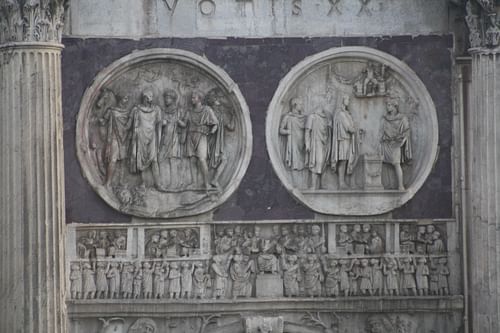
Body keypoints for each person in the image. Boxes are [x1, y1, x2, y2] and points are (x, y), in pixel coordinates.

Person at [179, 91, 219, 189]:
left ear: (199, 99)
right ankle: (193, 183)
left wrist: (212, 131)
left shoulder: (207, 110)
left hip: (201, 136)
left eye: (194, 97)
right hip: (190, 135)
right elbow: (184, 124)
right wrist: (177, 120)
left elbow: (215, 123)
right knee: (192, 160)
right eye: (192, 97)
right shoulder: (189, 111)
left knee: (202, 159)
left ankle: (206, 183)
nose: (192, 99)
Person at [129, 89, 163, 189]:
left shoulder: (156, 109)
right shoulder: (137, 110)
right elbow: (132, 125)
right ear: (143, 98)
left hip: (152, 137)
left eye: (149, 98)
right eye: (146, 98)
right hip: (141, 136)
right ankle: (143, 183)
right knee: (141, 159)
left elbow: (159, 125)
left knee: (154, 160)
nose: (147, 100)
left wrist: (159, 139)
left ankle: (158, 183)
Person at [379, 98, 412, 190]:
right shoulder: (385, 118)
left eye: (389, 105)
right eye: (387, 105)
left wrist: (402, 142)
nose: (387, 107)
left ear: (395, 106)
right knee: (385, 163)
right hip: (386, 143)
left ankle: (400, 185)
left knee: (396, 163)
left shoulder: (402, 118)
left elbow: (407, 131)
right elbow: (383, 131)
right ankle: (389, 184)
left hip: (396, 143)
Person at [331, 95, 360, 189]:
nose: (348, 101)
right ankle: (341, 183)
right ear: (342, 100)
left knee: (346, 161)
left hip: (347, 139)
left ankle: (344, 182)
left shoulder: (345, 113)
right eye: (347, 99)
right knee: (343, 161)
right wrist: (356, 129)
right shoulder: (341, 114)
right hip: (343, 140)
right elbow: (349, 128)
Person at [102, 94, 131, 186]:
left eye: (127, 98)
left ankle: (121, 181)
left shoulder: (127, 112)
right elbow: (103, 121)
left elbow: (129, 126)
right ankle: (108, 182)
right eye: (125, 98)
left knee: (123, 160)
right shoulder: (112, 111)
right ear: (120, 99)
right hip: (114, 137)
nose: (126, 100)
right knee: (112, 159)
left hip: (125, 138)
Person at [158, 89, 183, 189]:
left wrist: (177, 121)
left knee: (172, 160)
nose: (166, 100)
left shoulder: (178, 111)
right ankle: (162, 182)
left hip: (174, 137)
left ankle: (175, 183)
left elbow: (183, 124)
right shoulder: (163, 111)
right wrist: (162, 123)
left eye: (168, 98)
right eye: (165, 98)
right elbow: (160, 123)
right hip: (164, 138)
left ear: (173, 99)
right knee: (160, 159)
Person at [279, 97, 306, 185]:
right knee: (295, 163)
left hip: (303, 143)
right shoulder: (288, 117)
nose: (302, 106)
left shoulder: (303, 117)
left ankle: (302, 183)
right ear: (295, 105)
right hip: (293, 143)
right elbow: (281, 130)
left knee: (303, 163)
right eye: (300, 104)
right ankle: (295, 183)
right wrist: (289, 131)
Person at [305, 107, 330, 189]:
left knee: (323, 162)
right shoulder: (312, 117)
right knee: (316, 162)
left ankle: (322, 184)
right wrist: (307, 144)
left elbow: (328, 131)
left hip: (324, 143)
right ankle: (313, 185)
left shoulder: (325, 119)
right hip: (315, 143)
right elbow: (307, 131)